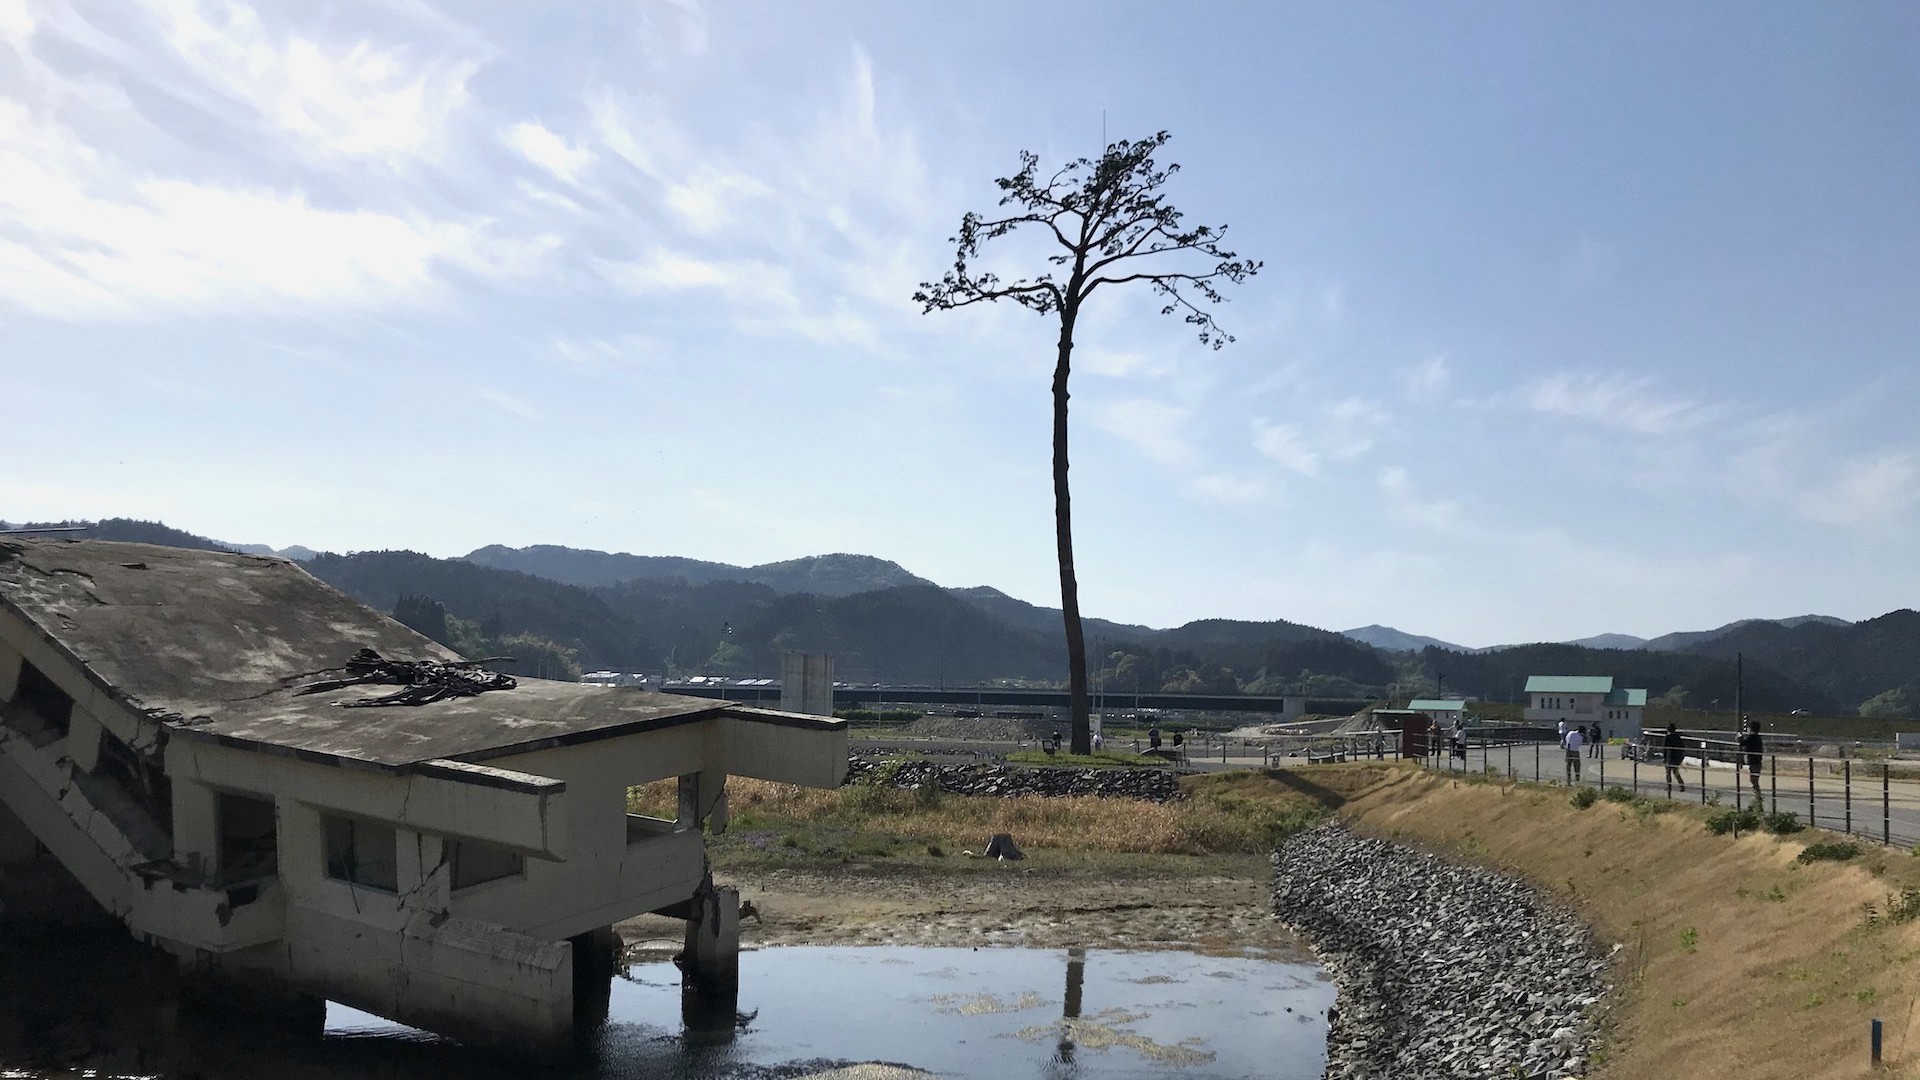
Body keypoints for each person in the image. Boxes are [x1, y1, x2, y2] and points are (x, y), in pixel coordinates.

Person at [1739, 717, 1764, 804]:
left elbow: (1742, 743)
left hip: (1754, 762)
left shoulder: (1751, 737)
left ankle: (1757, 797)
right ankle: (1757, 796)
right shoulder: (1758, 738)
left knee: (1753, 780)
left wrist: (1740, 737)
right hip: (1757, 762)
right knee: (1754, 780)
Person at [1662, 721, 1688, 791]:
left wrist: (1664, 757)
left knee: (1668, 772)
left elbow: (1665, 748)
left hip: (1670, 757)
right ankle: (1681, 785)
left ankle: (1669, 786)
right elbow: (1682, 747)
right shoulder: (1678, 737)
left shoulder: (1668, 737)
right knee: (1675, 772)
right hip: (1677, 757)